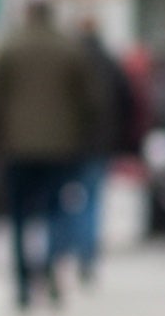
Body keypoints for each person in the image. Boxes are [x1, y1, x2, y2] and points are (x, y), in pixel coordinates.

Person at [0, 0, 104, 310]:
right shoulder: (69, 48)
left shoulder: (10, 46)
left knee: (19, 217)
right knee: (56, 211)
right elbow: (90, 100)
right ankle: (52, 270)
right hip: (61, 146)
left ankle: (23, 283)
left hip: (17, 146)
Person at [51, 18, 136, 285]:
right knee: (92, 200)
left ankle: (62, 251)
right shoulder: (108, 61)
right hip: (99, 142)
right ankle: (86, 255)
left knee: (64, 200)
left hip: (68, 142)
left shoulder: (66, 60)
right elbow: (126, 101)